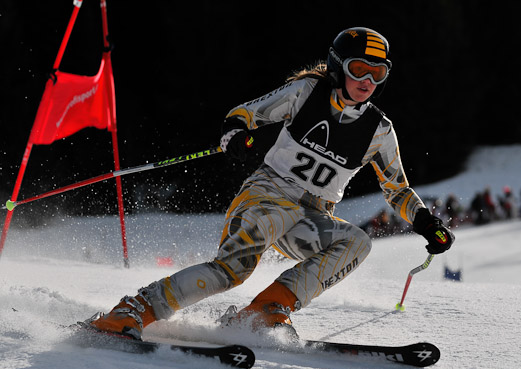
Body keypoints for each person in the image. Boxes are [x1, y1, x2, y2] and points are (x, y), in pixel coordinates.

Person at [87, 27, 455, 340]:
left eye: (378, 73)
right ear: (337, 67)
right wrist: (236, 134)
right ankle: (132, 310)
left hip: (311, 217)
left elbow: (398, 189)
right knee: (232, 271)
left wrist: (426, 222)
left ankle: (264, 311)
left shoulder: (379, 130)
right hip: (268, 195)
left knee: (356, 242)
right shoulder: (307, 92)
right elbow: (245, 114)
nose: (367, 82)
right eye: (359, 69)